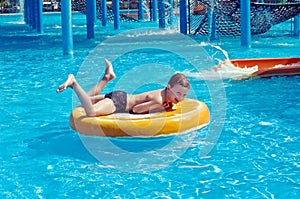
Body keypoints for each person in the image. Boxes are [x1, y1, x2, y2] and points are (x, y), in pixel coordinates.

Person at [56, 59, 190, 116]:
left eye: (183, 95)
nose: (180, 97)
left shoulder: (163, 94)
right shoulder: (159, 100)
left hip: (121, 95)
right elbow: (137, 110)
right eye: (178, 93)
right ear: (168, 87)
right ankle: (74, 83)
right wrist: (160, 108)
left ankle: (107, 77)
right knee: (90, 112)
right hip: (120, 102)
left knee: (84, 102)